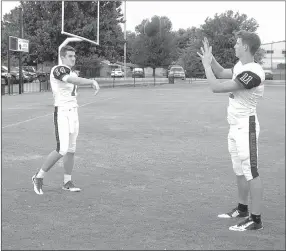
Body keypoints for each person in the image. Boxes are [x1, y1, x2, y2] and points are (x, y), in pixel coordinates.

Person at [197, 31, 265, 231]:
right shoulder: (240, 66)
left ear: (245, 47)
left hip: (247, 126)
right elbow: (220, 73)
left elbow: (216, 86)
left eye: (237, 43)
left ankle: (256, 219)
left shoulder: (254, 72)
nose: (234, 45)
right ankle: (242, 209)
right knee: (239, 170)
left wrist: (205, 66)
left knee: (251, 171)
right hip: (235, 126)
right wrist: (211, 60)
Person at [32, 45, 100, 195]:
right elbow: (70, 79)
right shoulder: (58, 69)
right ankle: (38, 176)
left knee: (71, 149)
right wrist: (91, 81)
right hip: (62, 112)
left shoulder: (72, 71)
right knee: (62, 149)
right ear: (62, 57)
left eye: (74, 56)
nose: (73, 58)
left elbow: (73, 81)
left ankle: (67, 182)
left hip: (74, 112)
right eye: (70, 56)